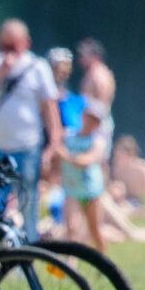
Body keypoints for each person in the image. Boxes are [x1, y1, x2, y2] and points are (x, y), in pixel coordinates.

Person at [0, 19, 61, 241]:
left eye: (14, 46)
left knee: (29, 203)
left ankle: (30, 252)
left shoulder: (38, 67)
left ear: (26, 43)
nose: (9, 51)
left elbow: (49, 108)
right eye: (5, 45)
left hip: (28, 148)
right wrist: (1, 72)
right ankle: (2, 252)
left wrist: (53, 144)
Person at [61, 100, 110, 252]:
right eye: (89, 117)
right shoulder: (69, 136)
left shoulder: (98, 141)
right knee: (72, 228)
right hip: (72, 190)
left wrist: (66, 156)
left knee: (95, 230)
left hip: (91, 191)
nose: (91, 122)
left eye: (95, 120)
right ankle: (70, 264)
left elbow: (87, 160)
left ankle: (104, 262)